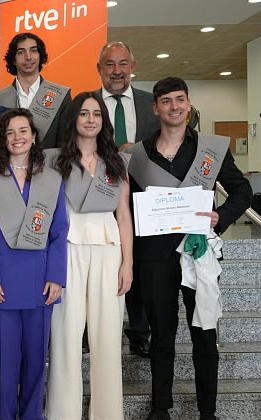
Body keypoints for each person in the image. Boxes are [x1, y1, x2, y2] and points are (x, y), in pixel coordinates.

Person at [125, 77, 252, 420]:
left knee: (204, 335)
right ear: (156, 108)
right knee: (161, 336)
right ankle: (160, 408)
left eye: (180, 100)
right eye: (166, 101)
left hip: (198, 253)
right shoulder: (139, 154)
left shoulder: (210, 149)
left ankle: (207, 413)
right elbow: (129, 207)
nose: (174, 107)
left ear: (188, 103)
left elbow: (242, 190)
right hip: (155, 258)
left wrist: (221, 216)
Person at [0, 109, 68, 420]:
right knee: (3, 358)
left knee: (34, 357)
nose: (17, 137)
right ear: (2, 139)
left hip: (40, 282)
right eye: (10, 132)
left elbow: (59, 231)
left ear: (34, 135)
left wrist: (57, 276)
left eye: (23, 130)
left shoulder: (51, 179)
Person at [45, 92, 133, 420]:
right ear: (73, 119)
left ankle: (106, 413)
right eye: (84, 113)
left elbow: (124, 215)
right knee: (65, 331)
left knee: (107, 333)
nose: (91, 119)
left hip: (109, 248)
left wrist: (128, 262)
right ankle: (66, 412)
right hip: (68, 249)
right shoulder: (56, 161)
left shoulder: (117, 163)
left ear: (103, 121)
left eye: (97, 114)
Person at [97, 41, 161, 358]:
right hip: (99, 195)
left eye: (123, 63)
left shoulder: (152, 104)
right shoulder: (86, 103)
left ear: (133, 65)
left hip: (145, 195)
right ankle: (90, 330)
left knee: (141, 263)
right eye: (110, 64)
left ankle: (139, 330)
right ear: (99, 69)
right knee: (99, 261)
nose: (117, 71)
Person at [0, 33, 72, 149]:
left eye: (33, 51)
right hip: (8, 165)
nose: (28, 57)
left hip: (49, 165)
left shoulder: (61, 95)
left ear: (40, 56)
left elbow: (65, 143)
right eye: (21, 52)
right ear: (13, 60)